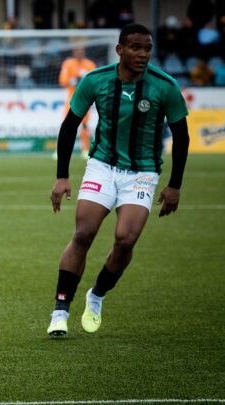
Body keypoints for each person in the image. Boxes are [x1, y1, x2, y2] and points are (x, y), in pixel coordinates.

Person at [46, 23, 189, 338]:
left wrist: (175, 184)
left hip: (143, 172)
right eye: (136, 47)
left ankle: (96, 295)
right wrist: (62, 177)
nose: (143, 54)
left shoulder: (165, 86)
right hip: (102, 166)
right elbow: (70, 126)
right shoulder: (95, 81)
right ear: (120, 50)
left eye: (147, 48)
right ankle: (60, 311)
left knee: (125, 240)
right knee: (84, 233)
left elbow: (182, 136)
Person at [55, 45, 97, 160]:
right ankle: (60, 150)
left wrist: (83, 81)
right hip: (71, 100)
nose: (79, 53)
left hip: (85, 99)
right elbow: (62, 81)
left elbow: (94, 82)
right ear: (74, 52)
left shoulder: (90, 65)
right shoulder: (68, 63)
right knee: (66, 124)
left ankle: (85, 150)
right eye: (77, 50)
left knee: (84, 125)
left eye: (81, 50)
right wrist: (75, 79)